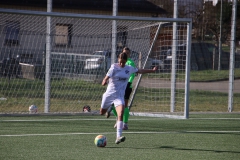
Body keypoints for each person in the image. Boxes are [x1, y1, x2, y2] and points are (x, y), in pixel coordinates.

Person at [100, 52, 158, 144]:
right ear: (118, 59)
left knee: (121, 113)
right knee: (101, 112)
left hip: (119, 96)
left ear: (126, 61)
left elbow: (139, 71)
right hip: (109, 95)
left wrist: (152, 70)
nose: (121, 64)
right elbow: (106, 77)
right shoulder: (114, 67)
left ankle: (118, 137)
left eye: (123, 62)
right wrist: (104, 80)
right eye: (120, 62)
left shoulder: (129, 68)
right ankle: (109, 108)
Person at [106, 47, 135, 130]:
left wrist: (129, 82)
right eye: (124, 52)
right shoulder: (118, 64)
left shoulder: (130, 63)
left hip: (127, 86)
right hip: (118, 87)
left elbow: (132, 74)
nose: (126, 54)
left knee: (124, 105)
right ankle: (119, 120)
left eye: (127, 53)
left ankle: (125, 124)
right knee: (117, 105)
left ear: (129, 54)